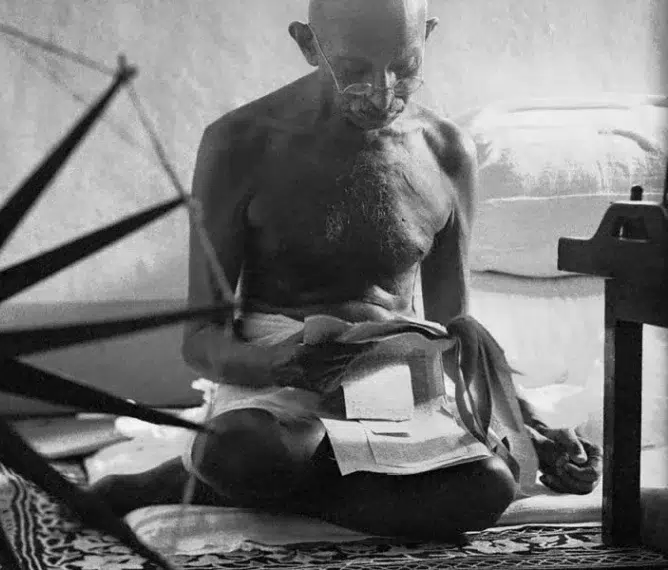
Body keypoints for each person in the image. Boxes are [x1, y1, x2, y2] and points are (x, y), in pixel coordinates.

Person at [90, 0, 601, 541]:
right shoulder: (238, 143)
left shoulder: (448, 152)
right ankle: (265, 475)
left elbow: (455, 328)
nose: (382, 91)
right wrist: (276, 365)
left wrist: (533, 427)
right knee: (239, 451)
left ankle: (223, 486)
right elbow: (200, 340)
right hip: (279, 378)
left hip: (398, 379)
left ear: (427, 36)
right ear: (309, 45)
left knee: (493, 486)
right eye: (355, 70)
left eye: (404, 67)